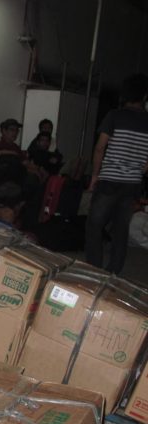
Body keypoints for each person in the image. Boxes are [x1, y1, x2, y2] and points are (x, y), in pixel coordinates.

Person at [85, 73, 148, 274]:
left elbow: (99, 148)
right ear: (144, 96)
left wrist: (95, 176)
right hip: (132, 184)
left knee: (95, 224)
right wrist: (141, 168)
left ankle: (94, 269)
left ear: (125, 94)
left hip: (110, 180)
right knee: (121, 229)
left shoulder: (114, 116)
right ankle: (113, 272)